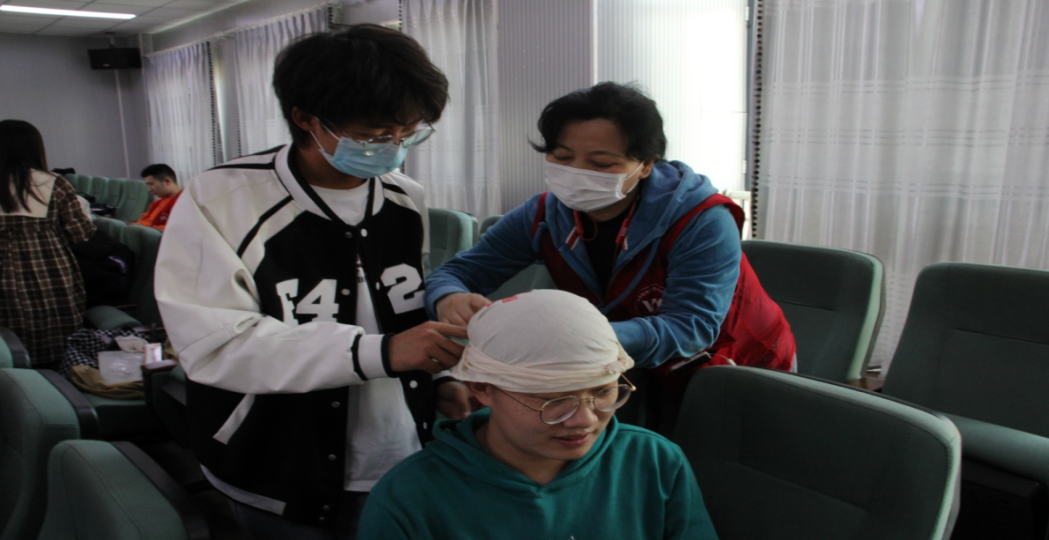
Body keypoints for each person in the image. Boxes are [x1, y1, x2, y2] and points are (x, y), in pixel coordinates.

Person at [154, 25, 471, 539]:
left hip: (398, 445)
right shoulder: (221, 200)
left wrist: (440, 379)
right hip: (279, 457)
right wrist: (381, 352)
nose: (393, 148)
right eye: (374, 135)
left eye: (408, 133)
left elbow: (400, 304)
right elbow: (215, 345)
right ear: (306, 118)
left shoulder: (404, 197)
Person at [424, 82, 795, 433]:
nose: (577, 173)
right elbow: (456, 273)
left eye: (601, 164)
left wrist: (576, 336)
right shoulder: (545, 215)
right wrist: (448, 297)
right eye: (562, 157)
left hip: (732, 367)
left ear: (646, 165)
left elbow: (691, 327)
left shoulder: (700, 219)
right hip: (630, 367)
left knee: (714, 464)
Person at [359, 290, 719, 539]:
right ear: (481, 387)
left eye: (603, 392)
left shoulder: (653, 462)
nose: (584, 420)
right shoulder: (412, 497)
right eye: (553, 401)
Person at [0, 119, 95, 369]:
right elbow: (80, 234)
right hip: (49, 268)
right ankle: (62, 378)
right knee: (56, 329)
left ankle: (18, 380)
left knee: (9, 337)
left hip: (4, 274)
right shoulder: (53, 182)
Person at [134, 163, 182, 230]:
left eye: (151, 184)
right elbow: (145, 221)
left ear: (167, 181)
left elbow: (179, 228)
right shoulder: (156, 204)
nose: (149, 189)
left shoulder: (184, 202)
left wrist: (145, 228)